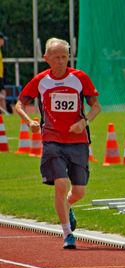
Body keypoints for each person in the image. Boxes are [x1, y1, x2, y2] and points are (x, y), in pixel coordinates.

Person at [14, 38, 101, 249]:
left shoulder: (80, 78)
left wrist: (85, 121)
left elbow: (96, 106)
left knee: (79, 191)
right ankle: (67, 233)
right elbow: (19, 104)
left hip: (78, 140)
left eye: (64, 56)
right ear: (46, 58)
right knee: (61, 184)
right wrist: (29, 121)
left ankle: (67, 206)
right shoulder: (40, 80)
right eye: (56, 57)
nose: (61, 61)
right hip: (52, 139)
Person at [0, 32, 7, 114]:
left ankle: (4, 113)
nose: (3, 42)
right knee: (2, 94)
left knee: (2, 94)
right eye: (2, 40)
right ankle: (4, 113)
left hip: (1, 76)